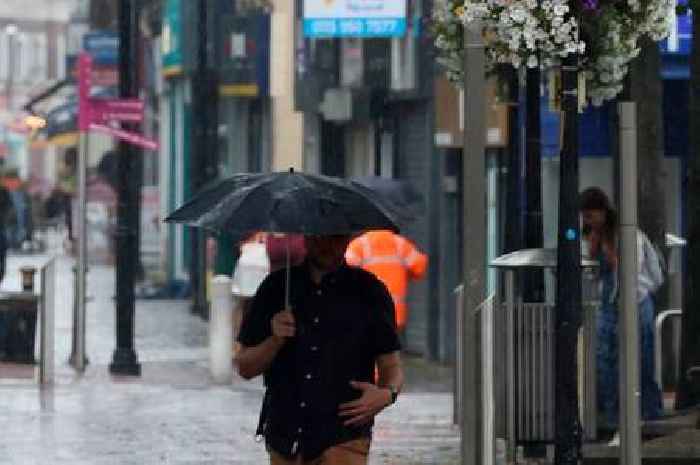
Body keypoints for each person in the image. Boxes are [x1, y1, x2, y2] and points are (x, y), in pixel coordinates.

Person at [236, 234, 404, 465]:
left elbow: (391, 366)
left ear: (347, 239)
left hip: (344, 437)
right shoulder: (275, 289)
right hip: (285, 438)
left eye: (336, 238)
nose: (327, 245)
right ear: (306, 237)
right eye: (320, 237)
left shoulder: (369, 291)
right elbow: (245, 367)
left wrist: (387, 394)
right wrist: (274, 340)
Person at [580, 187, 663, 430]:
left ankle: (649, 412)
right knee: (606, 358)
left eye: (590, 216)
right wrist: (593, 246)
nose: (588, 221)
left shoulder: (627, 234)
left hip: (636, 300)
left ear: (603, 212)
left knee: (642, 356)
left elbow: (628, 270)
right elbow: (595, 269)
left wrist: (607, 249)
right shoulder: (594, 234)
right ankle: (613, 412)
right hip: (609, 302)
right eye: (585, 217)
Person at [345, 230, 427, 335]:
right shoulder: (400, 244)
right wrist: (405, 274)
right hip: (395, 315)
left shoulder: (359, 245)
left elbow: (344, 273)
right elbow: (420, 268)